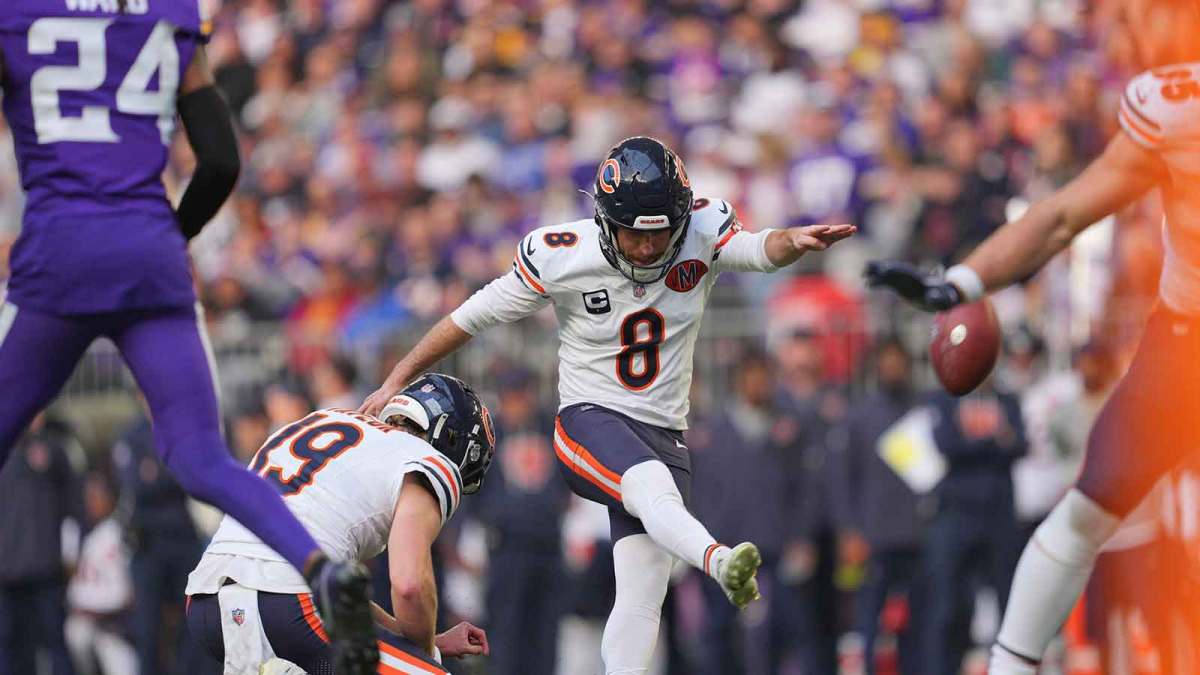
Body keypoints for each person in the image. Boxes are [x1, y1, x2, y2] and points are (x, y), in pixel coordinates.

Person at [361, 136, 856, 674]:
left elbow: (760, 250)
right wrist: (394, 381)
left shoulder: (702, 230)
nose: (645, 249)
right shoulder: (563, 254)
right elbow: (471, 317)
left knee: (643, 597)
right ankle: (718, 559)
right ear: (604, 220)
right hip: (589, 420)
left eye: (658, 234)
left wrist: (794, 239)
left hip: (664, 431)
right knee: (653, 489)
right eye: (632, 235)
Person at [0, 2, 377, 670]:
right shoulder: (170, 14)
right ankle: (320, 569)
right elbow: (221, 162)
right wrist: (169, 237)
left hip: (60, 251)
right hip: (151, 254)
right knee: (202, 457)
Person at [864, 2, 1200, 671]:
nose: (1127, 34)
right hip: (1182, 341)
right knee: (1088, 507)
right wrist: (960, 282)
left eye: (1142, 14)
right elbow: (1061, 216)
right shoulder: (1175, 104)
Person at [185, 373, 493, 674]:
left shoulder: (325, 418)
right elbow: (409, 585)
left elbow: (320, 583)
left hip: (206, 604)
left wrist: (429, 644)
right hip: (286, 606)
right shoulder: (428, 462)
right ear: (452, 440)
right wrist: (426, 657)